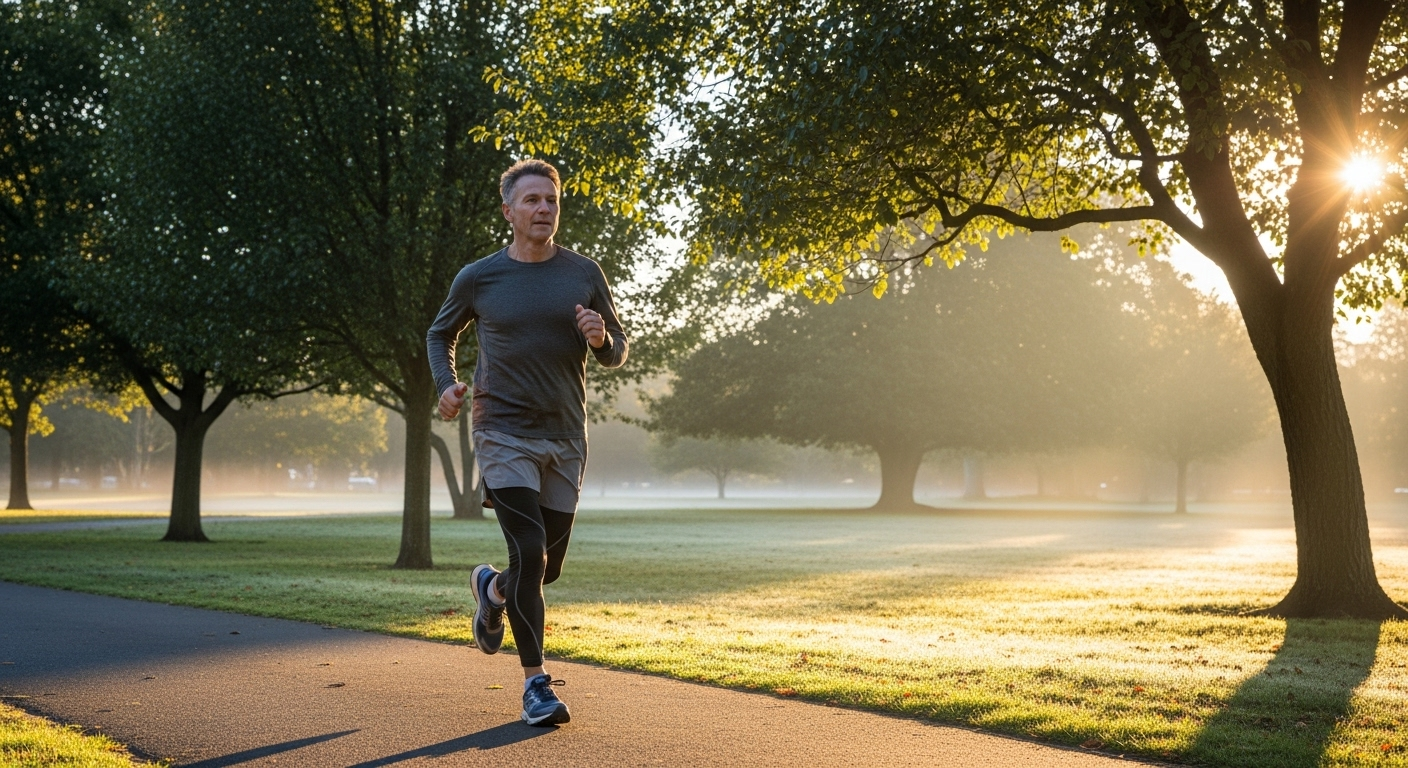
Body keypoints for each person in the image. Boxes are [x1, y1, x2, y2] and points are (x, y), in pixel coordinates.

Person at [426, 159, 627, 726]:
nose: (544, 209)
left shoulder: (584, 272)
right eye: (532, 200)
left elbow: (617, 349)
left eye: (552, 201)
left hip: (565, 434)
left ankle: (491, 591)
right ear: (509, 210)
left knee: (546, 568)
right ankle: (536, 684)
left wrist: (602, 338)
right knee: (531, 551)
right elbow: (441, 332)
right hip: (501, 430)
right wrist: (447, 386)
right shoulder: (480, 277)